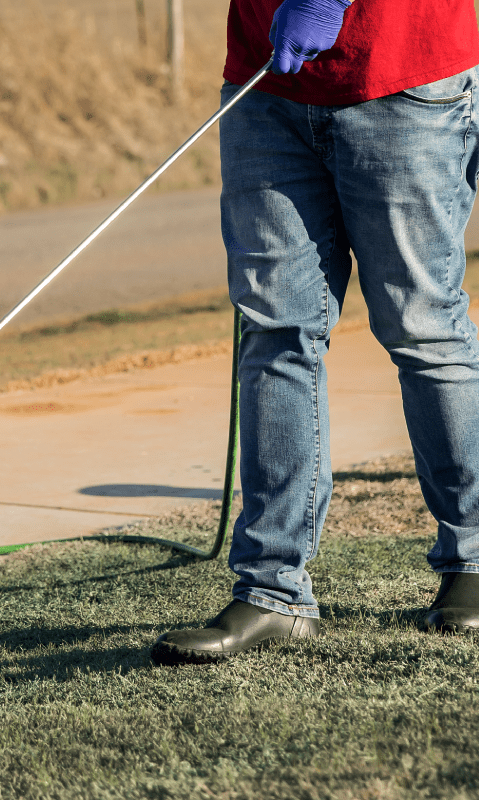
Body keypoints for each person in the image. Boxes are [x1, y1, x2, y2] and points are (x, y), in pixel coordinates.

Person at [151, 0, 479, 666]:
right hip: (265, 83)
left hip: (401, 75)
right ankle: (272, 592)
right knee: (275, 334)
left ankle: (473, 559)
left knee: (423, 331)